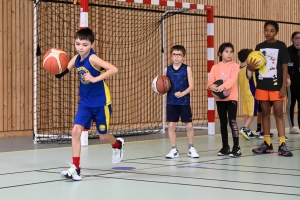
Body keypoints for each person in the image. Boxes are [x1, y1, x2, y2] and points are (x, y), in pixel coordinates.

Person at [55, 28, 125, 180]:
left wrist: (95, 79)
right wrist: (53, 63)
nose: (80, 47)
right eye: (78, 43)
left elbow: (113, 69)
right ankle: (76, 168)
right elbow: (61, 73)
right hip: (85, 103)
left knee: (103, 136)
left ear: (92, 45)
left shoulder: (93, 59)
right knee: (75, 131)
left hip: (101, 102)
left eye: (85, 44)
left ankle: (117, 145)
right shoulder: (76, 58)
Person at [248, 20, 293, 157]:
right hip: (262, 85)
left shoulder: (281, 46)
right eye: (266, 30)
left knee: (278, 113)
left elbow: (285, 66)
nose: (268, 33)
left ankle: (282, 144)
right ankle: (267, 143)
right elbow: (254, 66)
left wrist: (284, 85)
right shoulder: (259, 46)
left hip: (276, 85)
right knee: (265, 113)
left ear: (276, 32)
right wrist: (250, 68)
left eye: (272, 30)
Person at [164, 45, 199, 159]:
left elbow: (192, 86)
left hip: (184, 102)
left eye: (179, 55)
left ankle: (191, 148)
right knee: (171, 125)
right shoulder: (167, 69)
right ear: (171, 56)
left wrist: (182, 93)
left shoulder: (187, 68)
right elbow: (164, 85)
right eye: (174, 54)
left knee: (188, 126)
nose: (176, 57)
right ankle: (174, 149)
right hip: (171, 102)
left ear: (183, 56)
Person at [207, 42, 241, 158]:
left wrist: (224, 86)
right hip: (220, 99)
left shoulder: (235, 66)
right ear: (220, 53)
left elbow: (232, 80)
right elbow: (210, 81)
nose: (229, 54)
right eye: (226, 51)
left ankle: (236, 147)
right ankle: (225, 147)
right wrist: (211, 86)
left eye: (231, 51)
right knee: (222, 123)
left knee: (232, 121)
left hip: (231, 98)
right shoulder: (215, 67)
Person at [237, 48, 258, 139]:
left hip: (244, 95)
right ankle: (244, 128)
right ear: (247, 59)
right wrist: (252, 69)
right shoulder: (247, 68)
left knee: (246, 113)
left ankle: (248, 131)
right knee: (253, 113)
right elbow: (249, 76)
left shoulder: (240, 68)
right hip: (251, 94)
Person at [287, 31, 300, 134]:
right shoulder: (288, 51)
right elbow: (285, 67)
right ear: (292, 39)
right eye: (296, 38)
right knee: (291, 104)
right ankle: (292, 126)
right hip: (291, 83)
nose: (299, 40)